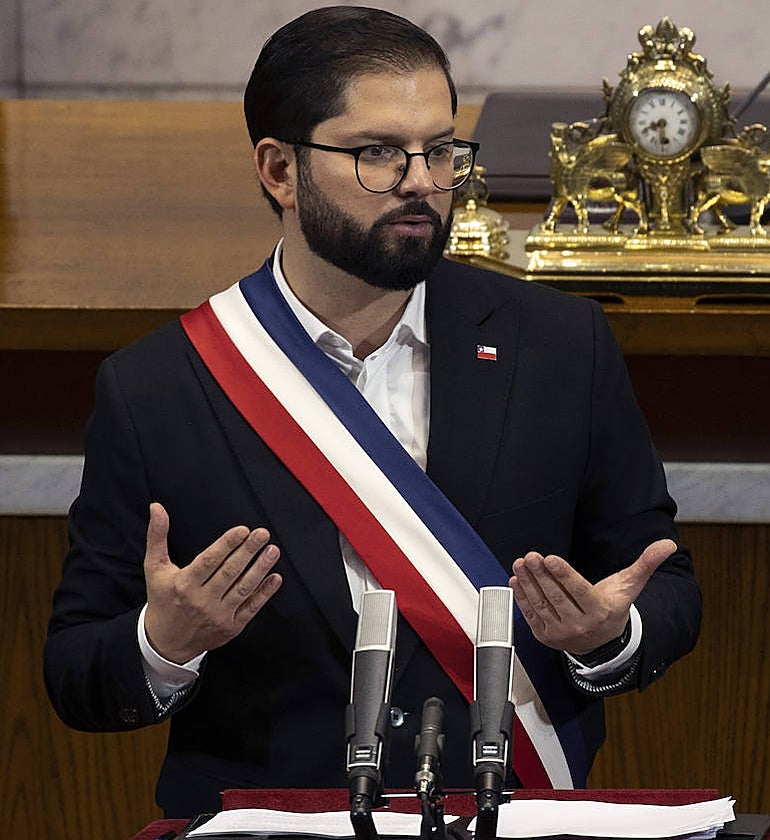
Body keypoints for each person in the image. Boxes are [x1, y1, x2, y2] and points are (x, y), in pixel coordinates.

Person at [43, 6, 701, 819]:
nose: (423, 180)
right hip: (276, 826)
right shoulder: (159, 389)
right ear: (280, 171)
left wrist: (608, 636)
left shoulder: (560, 346)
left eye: (440, 150)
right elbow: (76, 672)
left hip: (509, 815)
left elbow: (661, 582)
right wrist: (165, 643)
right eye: (378, 154)